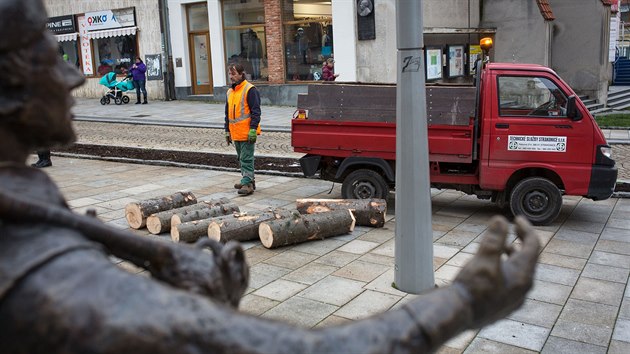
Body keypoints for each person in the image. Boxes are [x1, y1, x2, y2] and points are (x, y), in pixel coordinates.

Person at [0, 1, 541, 352]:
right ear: (10, 89)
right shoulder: (43, 271)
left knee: (247, 169)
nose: (73, 78)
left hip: (245, 138)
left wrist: (198, 298)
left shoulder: (30, 214)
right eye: (51, 59)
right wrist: (463, 302)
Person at [224, 63, 261, 196]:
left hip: (246, 132)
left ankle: (247, 183)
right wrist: (227, 130)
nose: (231, 77)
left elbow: (256, 111)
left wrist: (253, 129)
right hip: (235, 132)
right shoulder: (230, 92)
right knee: (241, 158)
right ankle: (248, 178)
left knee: (246, 158)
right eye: (230, 74)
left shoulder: (250, 90)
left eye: (234, 74)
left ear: (241, 74)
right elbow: (227, 114)